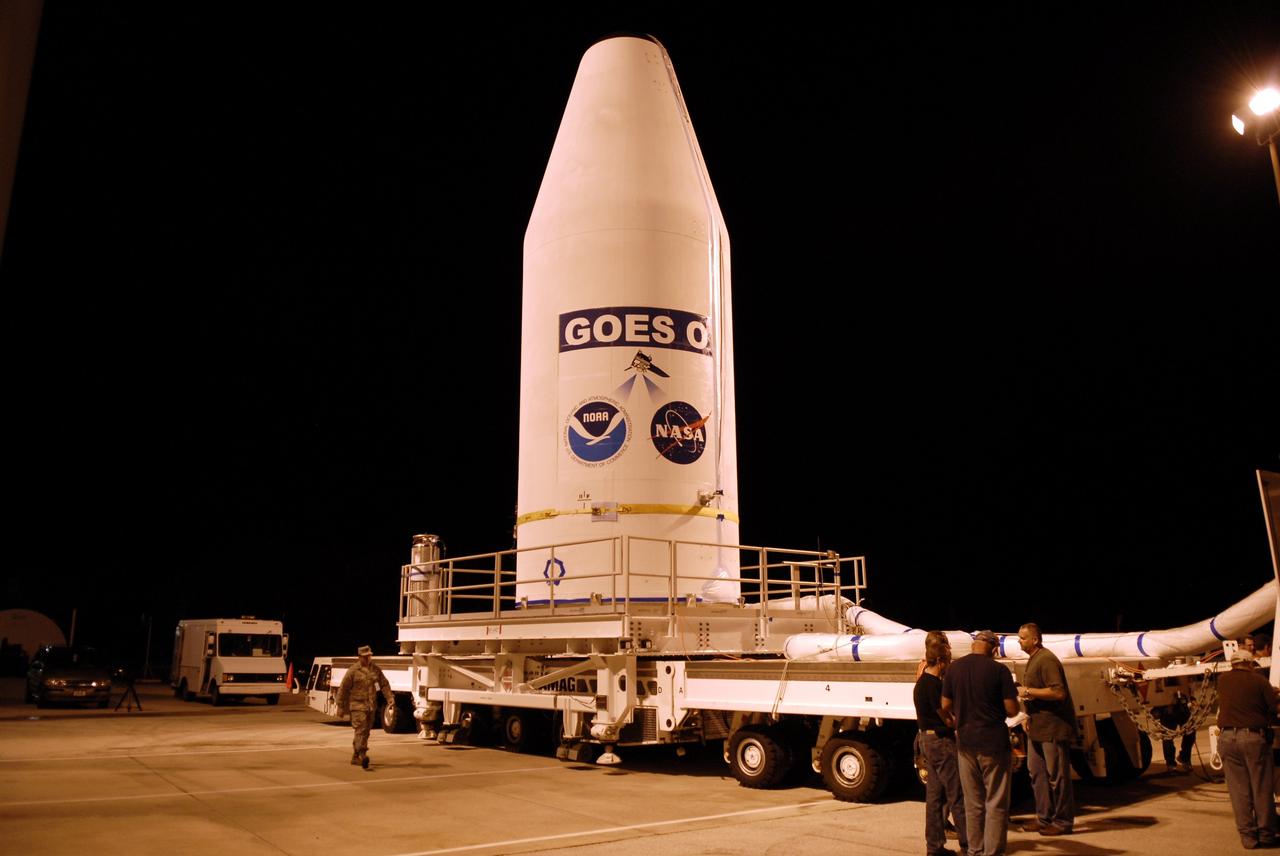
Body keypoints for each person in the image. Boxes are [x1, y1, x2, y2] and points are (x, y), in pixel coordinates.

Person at [942, 630, 1019, 856]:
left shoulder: (954, 668)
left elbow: (945, 704)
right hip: (993, 743)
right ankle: (993, 852)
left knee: (972, 802)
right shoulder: (999, 670)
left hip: (965, 743)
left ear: (974, 645)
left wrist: (961, 716)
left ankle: (975, 850)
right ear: (994, 648)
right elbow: (1012, 710)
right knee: (995, 801)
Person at [1016, 623, 1075, 836]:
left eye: (1022, 638)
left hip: (1053, 727)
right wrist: (1027, 715)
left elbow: (1059, 693)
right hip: (1037, 727)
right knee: (1036, 772)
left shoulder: (1047, 659)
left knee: (1057, 775)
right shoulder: (1034, 659)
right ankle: (1044, 818)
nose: (1019, 641)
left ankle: (1063, 821)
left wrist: (1028, 691)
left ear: (1035, 640)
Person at [1219, 648, 1280, 849]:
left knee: (1239, 791)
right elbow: (1272, 708)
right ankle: (1266, 835)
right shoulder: (1259, 681)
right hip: (1253, 738)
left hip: (1227, 738)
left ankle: (1248, 837)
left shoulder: (1223, 680)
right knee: (1261, 787)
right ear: (1249, 664)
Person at [915, 635, 967, 856]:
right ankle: (969, 844)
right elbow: (946, 718)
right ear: (942, 661)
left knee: (934, 797)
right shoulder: (934, 686)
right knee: (957, 794)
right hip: (941, 742)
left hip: (926, 740)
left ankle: (934, 847)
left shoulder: (920, 683)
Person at [337, 645, 394, 769]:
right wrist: (340, 706)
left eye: (369, 656)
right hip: (357, 706)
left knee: (366, 732)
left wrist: (389, 698)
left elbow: (384, 684)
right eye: (365, 656)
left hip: (371, 706)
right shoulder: (353, 671)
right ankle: (362, 754)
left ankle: (355, 756)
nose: (368, 658)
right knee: (360, 730)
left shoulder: (375, 669)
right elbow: (343, 689)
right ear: (359, 657)